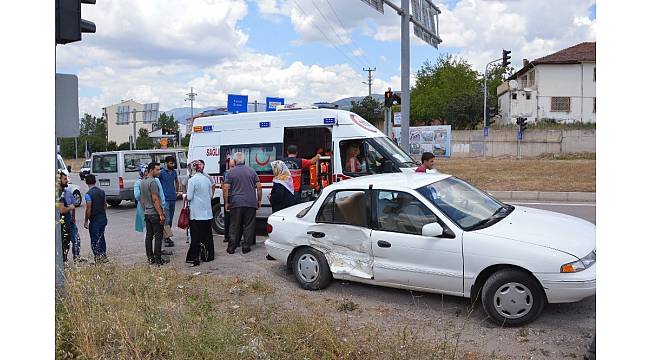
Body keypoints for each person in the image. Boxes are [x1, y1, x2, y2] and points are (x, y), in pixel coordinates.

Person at [223, 152, 262, 254]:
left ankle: (232, 247)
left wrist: (226, 202)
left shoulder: (230, 172)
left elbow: (226, 189)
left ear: (235, 161)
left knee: (234, 225)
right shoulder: (252, 171)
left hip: (236, 202)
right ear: (244, 160)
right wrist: (259, 200)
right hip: (250, 202)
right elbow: (259, 187)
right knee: (249, 225)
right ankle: (246, 246)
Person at [185, 160, 215, 266]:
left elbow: (189, 197)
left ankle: (194, 257)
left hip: (196, 214)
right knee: (207, 236)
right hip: (207, 213)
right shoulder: (207, 180)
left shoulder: (192, 181)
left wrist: (183, 195)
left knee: (196, 237)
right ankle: (208, 255)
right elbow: (211, 195)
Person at [140, 162, 168, 265]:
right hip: (154, 213)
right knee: (158, 236)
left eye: (159, 169)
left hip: (147, 212)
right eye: (157, 169)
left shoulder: (142, 182)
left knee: (149, 236)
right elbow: (155, 199)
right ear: (151, 170)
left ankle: (150, 257)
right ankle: (158, 259)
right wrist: (160, 213)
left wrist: (145, 210)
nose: (159, 171)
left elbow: (141, 199)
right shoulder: (153, 182)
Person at [83, 174, 109, 263]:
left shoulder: (88, 195)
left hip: (95, 220)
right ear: (95, 181)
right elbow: (105, 205)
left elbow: (88, 209)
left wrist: (86, 221)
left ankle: (98, 258)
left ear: (86, 182)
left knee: (95, 239)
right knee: (102, 237)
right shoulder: (102, 192)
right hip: (103, 218)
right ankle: (104, 255)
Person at [158, 155, 180, 247]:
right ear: (166, 163)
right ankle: (166, 237)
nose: (172, 164)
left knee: (170, 219)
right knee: (167, 219)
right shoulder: (162, 173)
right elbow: (157, 183)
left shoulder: (174, 172)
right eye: (171, 163)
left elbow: (177, 181)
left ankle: (167, 236)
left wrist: (176, 191)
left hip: (172, 198)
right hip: (165, 199)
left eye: (173, 163)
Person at [58, 173, 77, 262]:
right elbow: (62, 210)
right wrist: (71, 207)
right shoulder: (60, 193)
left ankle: (64, 259)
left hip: (66, 222)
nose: (67, 181)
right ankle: (63, 261)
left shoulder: (65, 193)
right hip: (63, 224)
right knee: (64, 243)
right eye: (65, 179)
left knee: (66, 243)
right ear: (59, 180)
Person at [222, 158, 236, 244]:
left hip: (234, 197)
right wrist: (226, 201)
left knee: (234, 219)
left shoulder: (228, 173)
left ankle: (229, 236)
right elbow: (225, 187)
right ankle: (227, 236)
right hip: (230, 197)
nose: (231, 168)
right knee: (228, 219)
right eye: (230, 166)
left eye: (233, 166)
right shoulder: (227, 173)